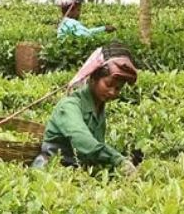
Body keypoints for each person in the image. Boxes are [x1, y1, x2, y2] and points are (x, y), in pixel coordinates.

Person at [32, 43, 139, 173]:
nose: (112, 92)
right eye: (108, 84)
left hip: (76, 172)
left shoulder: (98, 108)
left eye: (118, 88)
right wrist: (117, 159)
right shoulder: (69, 106)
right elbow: (85, 143)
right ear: (93, 78)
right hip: (50, 171)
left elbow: (96, 151)